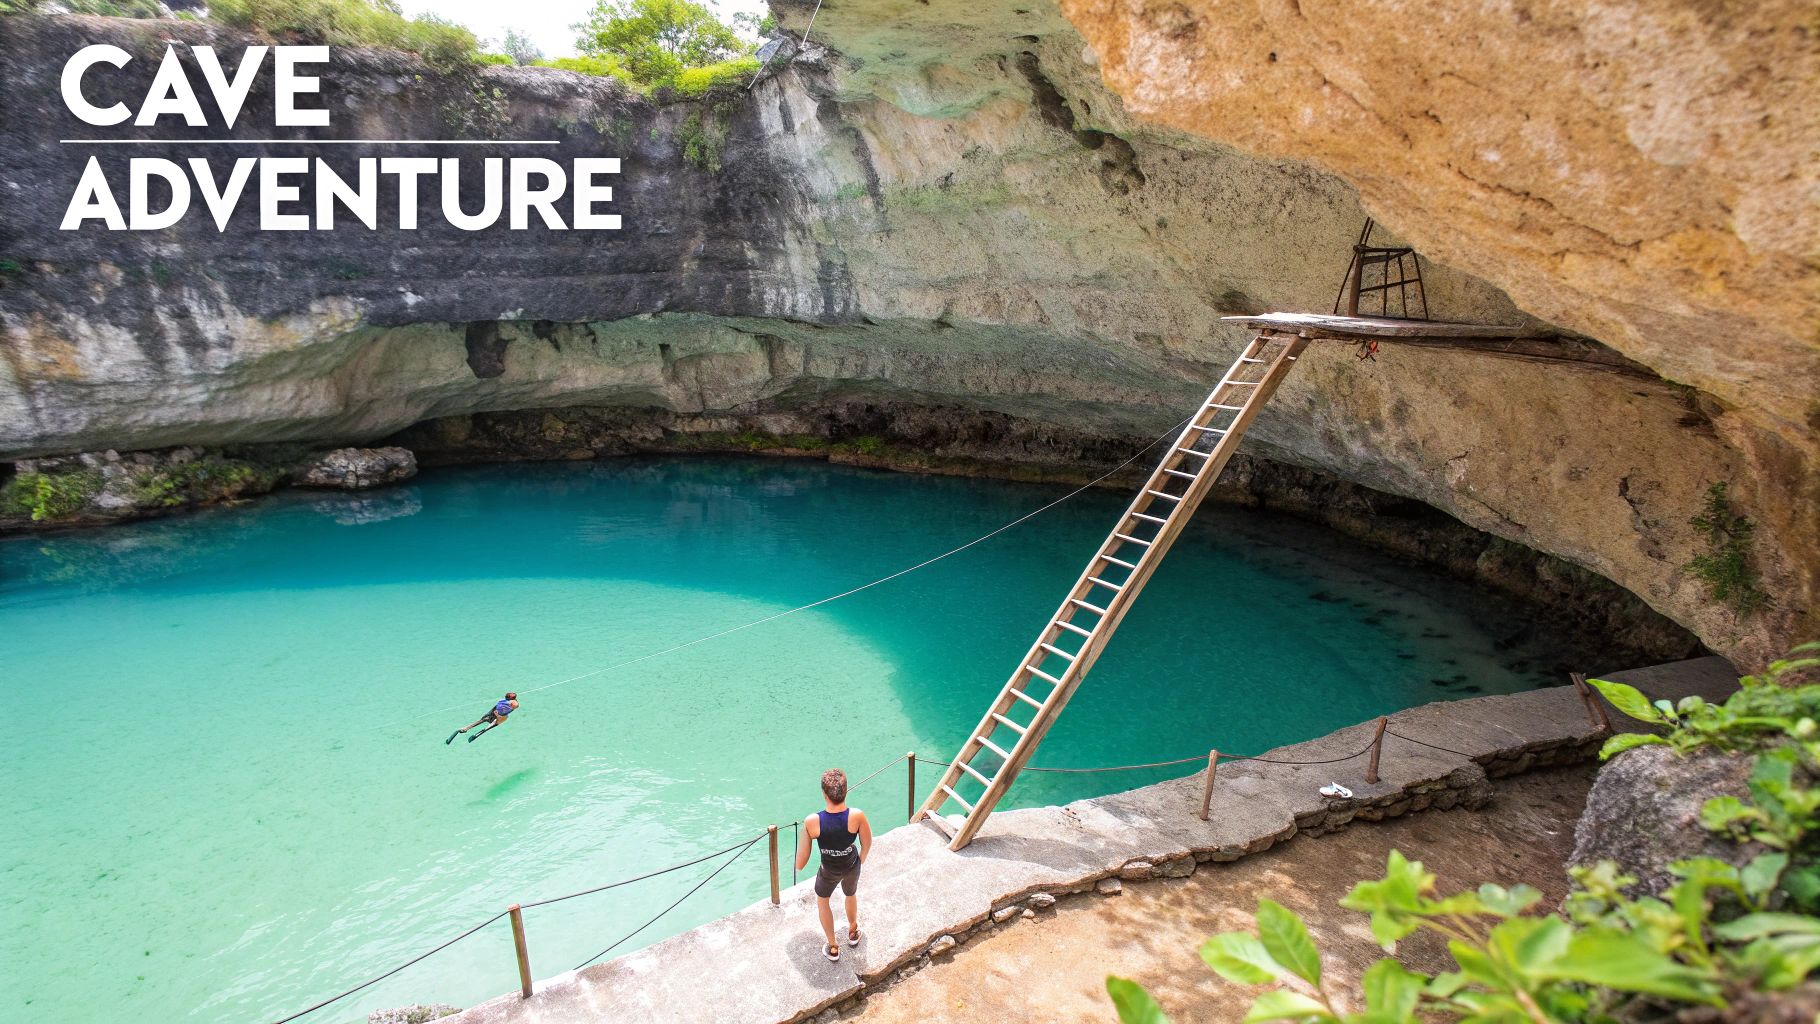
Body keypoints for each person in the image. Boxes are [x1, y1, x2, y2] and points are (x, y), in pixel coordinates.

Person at [795, 767, 873, 962]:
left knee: (823, 902)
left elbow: (801, 862)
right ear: (846, 790)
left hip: (828, 870)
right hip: (851, 865)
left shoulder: (812, 821)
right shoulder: (857, 815)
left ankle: (833, 946)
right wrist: (859, 862)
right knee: (850, 894)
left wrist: (804, 838)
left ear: (824, 793)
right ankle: (853, 931)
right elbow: (867, 843)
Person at [448, 693, 518, 744]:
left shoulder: (503, 701)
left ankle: (465, 729)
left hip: (495, 714)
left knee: (483, 721)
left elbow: (512, 705)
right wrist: (499, 715)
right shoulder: (507, 703)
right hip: (497, 715)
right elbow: (515, 705)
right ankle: (468, 730)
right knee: (490, 722)